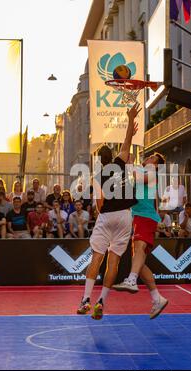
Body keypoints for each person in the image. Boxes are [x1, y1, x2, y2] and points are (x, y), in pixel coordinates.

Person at [76, 102, 141, 320]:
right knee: (113, 260)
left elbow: (100, 205)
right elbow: (128, 141)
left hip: (106, 217)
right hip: (125, 216)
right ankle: (102, 301)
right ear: (112, 155)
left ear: (98, 160)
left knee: (97, 257)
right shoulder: (120, 162)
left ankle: (86, 299)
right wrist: (131, 119)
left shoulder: (97, 177)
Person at [113, 152, 169, 319]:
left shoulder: (151, 173)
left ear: (155, 164)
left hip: (145, 216)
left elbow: (137, 178)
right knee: (139, 260)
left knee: (139, 250)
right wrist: (129, 162)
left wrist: (131, 165)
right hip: (138, 216)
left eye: (152, 157)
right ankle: (157, 298)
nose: (148, 158)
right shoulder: (143, 171)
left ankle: (131, 280)